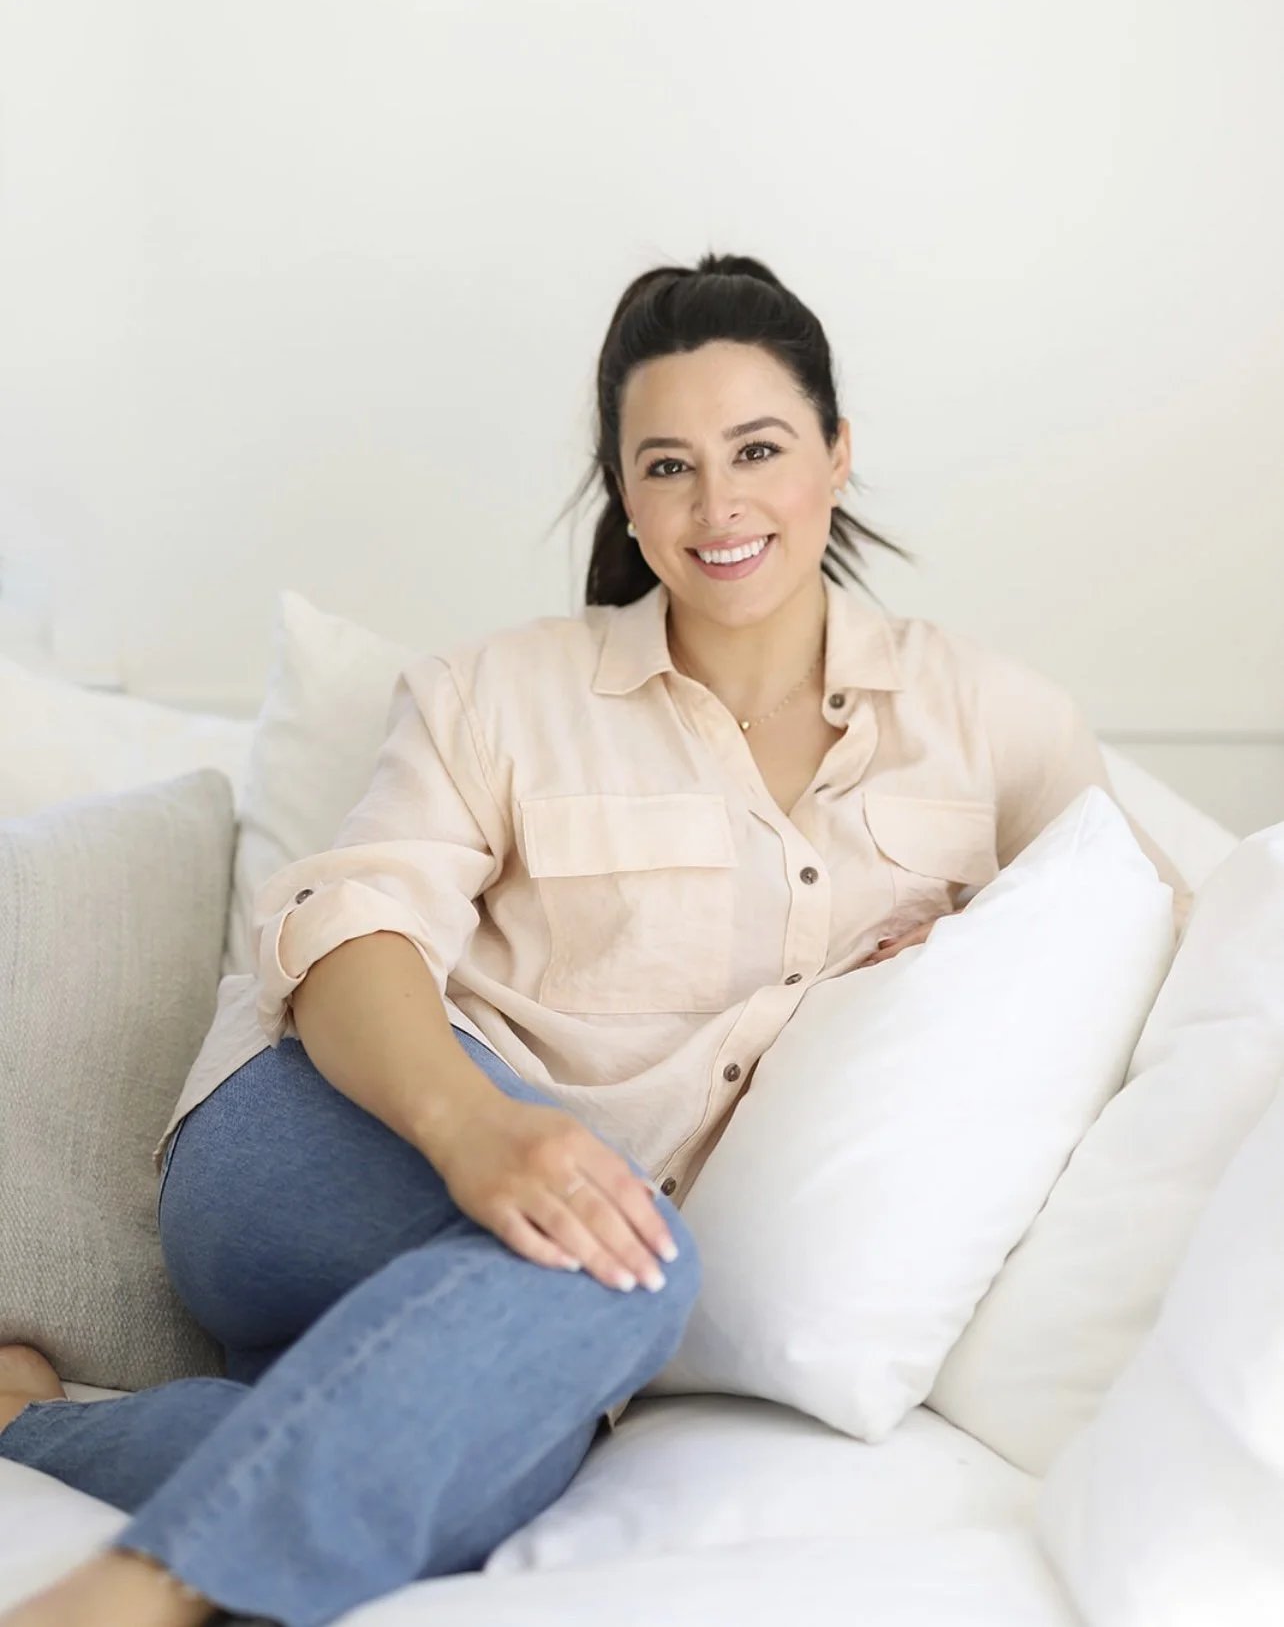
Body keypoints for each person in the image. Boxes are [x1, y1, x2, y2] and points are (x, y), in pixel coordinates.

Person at [0, 253, 1190, 1627]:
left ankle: (33, 1421)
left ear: (838, 456)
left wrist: (974, 945)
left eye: (758, 449)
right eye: (668, 465)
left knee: (490, 1486)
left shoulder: (991, 723)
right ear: (626, 493)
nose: (718, 502)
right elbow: (350, 933)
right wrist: (478, 1132)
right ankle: (140, 1598)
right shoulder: (500, 694)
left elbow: (1140, 942)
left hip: (540, 1289)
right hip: (325, 1150)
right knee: (636, 1271)